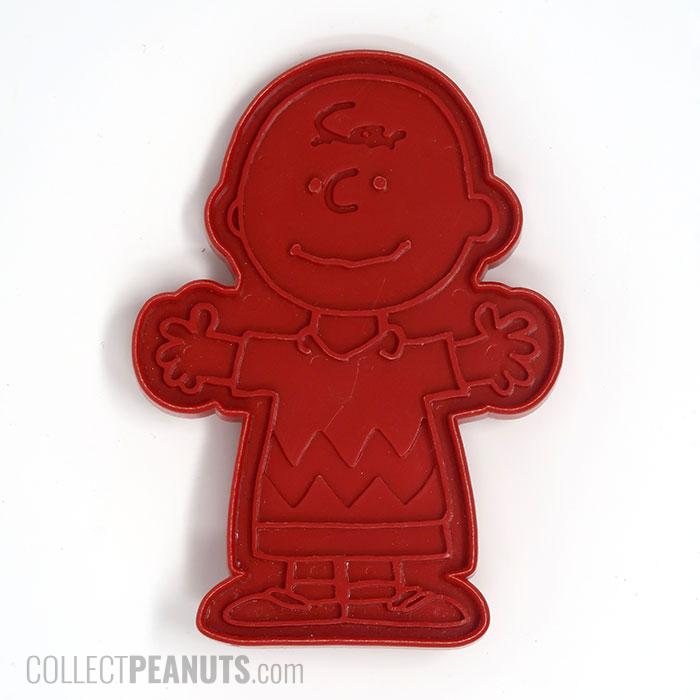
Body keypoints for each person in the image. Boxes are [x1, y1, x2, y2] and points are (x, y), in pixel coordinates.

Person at [133, 51, 563, 646]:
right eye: (313, 184)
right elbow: (238, 364)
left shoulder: (409, 354)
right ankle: (299, 592)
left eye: (381, 183)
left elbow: (457, 366)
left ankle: (396, 590)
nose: (346, 200)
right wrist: (197, 355)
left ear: (477, 218)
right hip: (298, 474)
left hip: (397, 475)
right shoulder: (287, 352)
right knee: (301, 528)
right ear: (237, 218)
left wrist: (496, 355)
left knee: (393, 527)